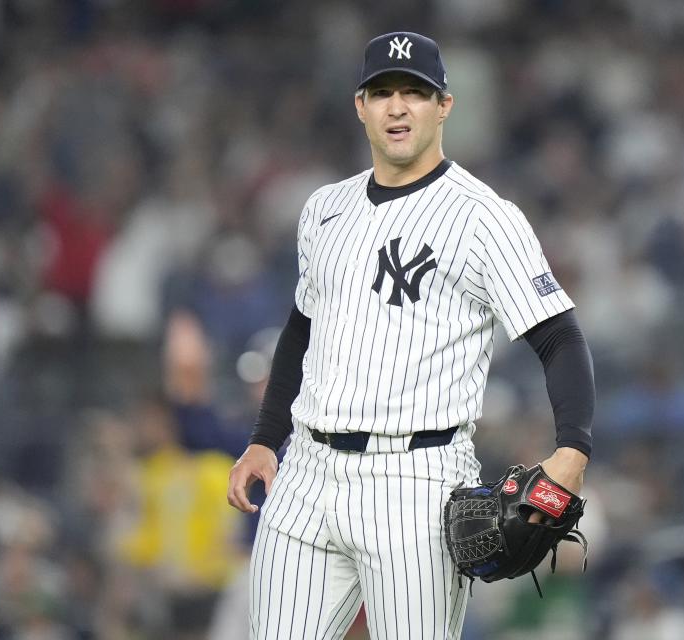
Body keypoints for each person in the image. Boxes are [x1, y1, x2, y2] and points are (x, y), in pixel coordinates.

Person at [227, 31, 595, 640]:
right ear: (360, 106)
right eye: (382, 93)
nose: (397, 107)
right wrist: (266, 438)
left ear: (443, 105)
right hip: (306, 471)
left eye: (415, 93)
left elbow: (560, 338)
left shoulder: (484, 217)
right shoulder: (324, 208)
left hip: (417, 480)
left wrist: (572, 452)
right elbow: (300, 328)